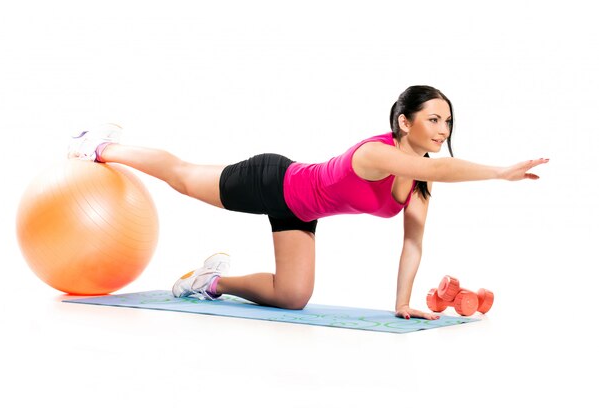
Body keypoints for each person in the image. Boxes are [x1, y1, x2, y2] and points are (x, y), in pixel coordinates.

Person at [68, 85, 548, 320]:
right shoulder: (378, 152)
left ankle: (209, 283)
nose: (443, 131)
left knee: (293, 296)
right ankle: (100, 147)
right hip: (272, 180)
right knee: (182, 176)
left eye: (448, 122)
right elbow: (440, 167)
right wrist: (499, 172)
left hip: (300, 209)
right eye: (434, 120)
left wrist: (401, 302)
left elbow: (413, 243)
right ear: (404, 121)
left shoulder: (419, 183)